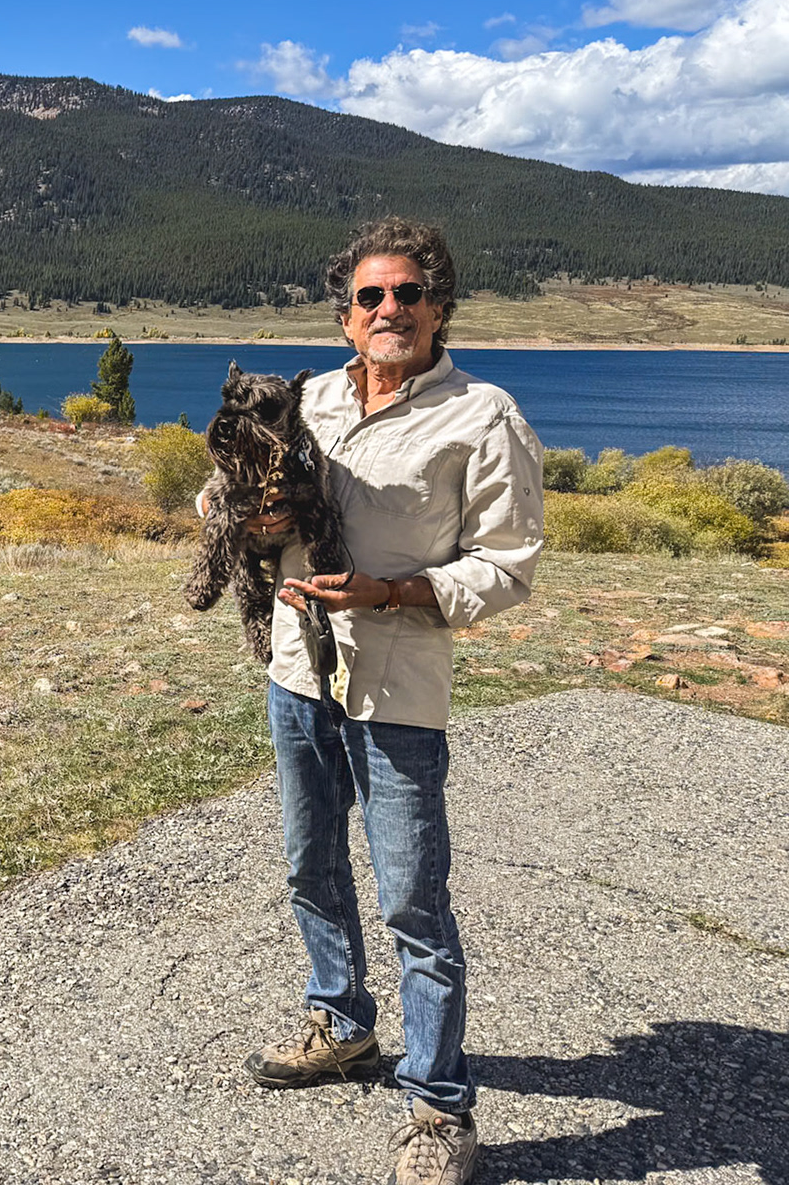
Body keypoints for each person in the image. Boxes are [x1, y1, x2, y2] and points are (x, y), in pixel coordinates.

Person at [238, 219, 544, 1185]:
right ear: (345, 316)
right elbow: (227, 508)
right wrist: (254, 519)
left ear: (439, 307)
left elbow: (508, 567)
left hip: (399, 687)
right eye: (370, 297)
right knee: (310, 865)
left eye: (408, 293)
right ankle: (342, 1026)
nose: (390, 310)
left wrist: (394, 592)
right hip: (299, 671)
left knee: (414, 898)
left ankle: (440, 1109)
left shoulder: (484, 415)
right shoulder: (303, 401)